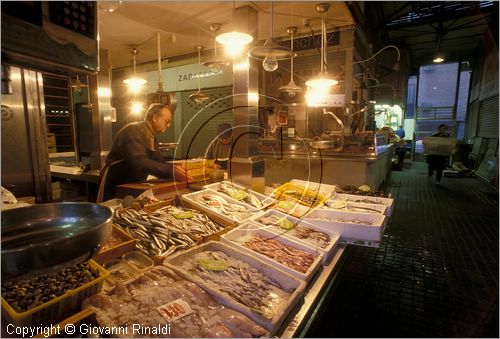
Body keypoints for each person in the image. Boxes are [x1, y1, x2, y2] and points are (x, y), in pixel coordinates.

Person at [97, 103, 191, 202]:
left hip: (132, 184)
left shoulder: (153, 139)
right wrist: (171, 171)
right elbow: (139, 161)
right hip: (115, 182)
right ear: (155, 118)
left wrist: (176, 169)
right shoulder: (133, 129)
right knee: (111, 211)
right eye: (166, 121)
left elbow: (159, 161)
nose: (168, 125)